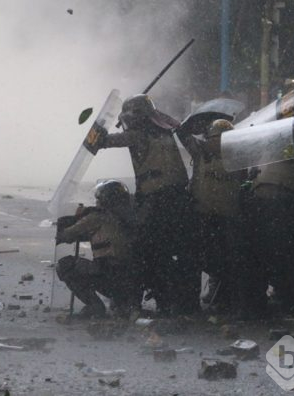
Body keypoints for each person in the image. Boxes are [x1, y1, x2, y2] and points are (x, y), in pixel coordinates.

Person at [93, 94, 197, 314]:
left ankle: (137, 301)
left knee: (145, 251)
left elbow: (108, 142)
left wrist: (99, 136)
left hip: (158, 202)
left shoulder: (139, 135)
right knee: (180, 252)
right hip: (180, 199)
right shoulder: (166, 132)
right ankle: (182, 301)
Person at [177, 118, 248, 313]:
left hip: (228, 217)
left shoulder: (239, 158)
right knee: (198, 257)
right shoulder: (201, 152)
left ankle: (225, 296)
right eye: (216, 139)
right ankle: (191, 302)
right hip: (204, 214)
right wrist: (192, 125)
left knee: (227, 258)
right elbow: (182, 135)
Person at [55, 180, 139, 319]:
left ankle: (95, 307)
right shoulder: (131, 217)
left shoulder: (97, 217)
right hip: (131, 281)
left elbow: (66, 234)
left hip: (110, 276)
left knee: (65, 266)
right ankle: (124, 305)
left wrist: (78, 217)